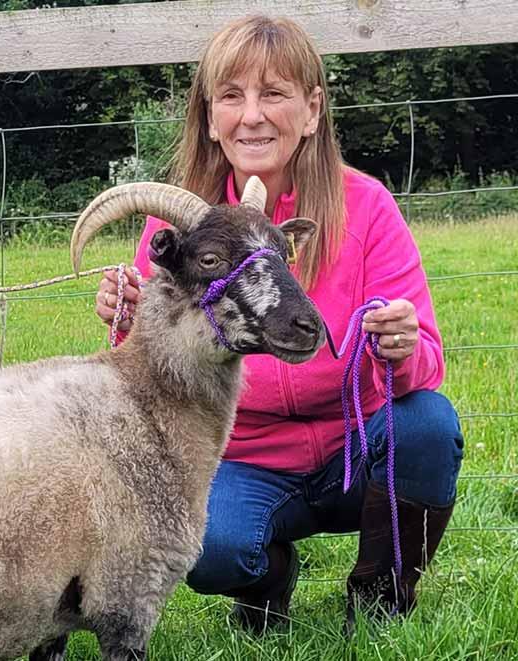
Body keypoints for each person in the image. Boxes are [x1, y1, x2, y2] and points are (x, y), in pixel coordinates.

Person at [96, 15, 462, 632]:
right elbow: (154, 378)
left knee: (427, 425)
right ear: (210, 116)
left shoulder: (366, 207)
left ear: (312, 109)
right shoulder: (179, 226)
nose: (253, 115)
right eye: (232, 96)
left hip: (356, 449)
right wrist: (130, 320)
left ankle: (380, 594)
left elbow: (425, 360)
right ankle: (265, 581)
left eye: (274, 93)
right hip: (245, 459)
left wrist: (401, 348)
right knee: (211, 549)